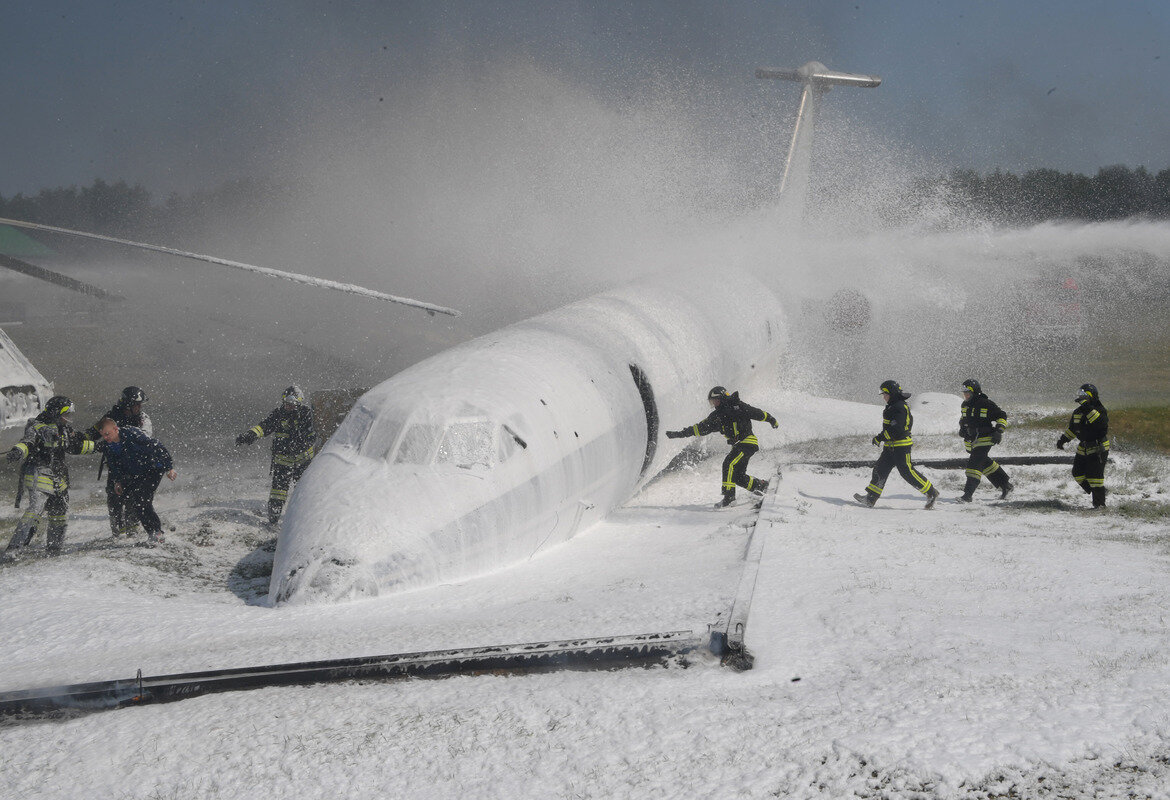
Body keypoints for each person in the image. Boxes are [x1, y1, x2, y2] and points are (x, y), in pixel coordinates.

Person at [4, 396, 98, 560]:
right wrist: (17, 451)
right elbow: (27, 443)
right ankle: (14, 548)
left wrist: (100, 447)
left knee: (59, 512)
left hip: (58, 477)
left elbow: (75, 446)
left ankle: (54, 549)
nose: (69, 419)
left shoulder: (64, 429)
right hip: (39, 474)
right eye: (66, 415)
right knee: (34, 511)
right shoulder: (37, 427)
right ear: (55, 413)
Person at [664, 386, 778, 508]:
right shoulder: (716, 416)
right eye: (712, 402)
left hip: (747, 442)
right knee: (737, 477)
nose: (713, 404)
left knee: (728, 464)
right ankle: (761, 486)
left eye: (715, 401)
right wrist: (679, 434)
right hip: (739, 446)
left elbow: (757, 413)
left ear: (722, 398)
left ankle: (729, 498)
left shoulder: (738, 406)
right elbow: (699, 428)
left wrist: (771, 420)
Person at [236, 385, 317, 525]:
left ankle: (305, 521)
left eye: (292, 404)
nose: (288, 406)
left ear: (298, 403)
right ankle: (273, 519)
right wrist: (250, 435)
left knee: (304, 491)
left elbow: (312, 436)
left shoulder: (306, 414)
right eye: (286, 403)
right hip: (282, 460)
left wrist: (300, 445)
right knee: (278, 492)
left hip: (303, 461)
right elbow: (264, 426)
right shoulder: (278, 414)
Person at [854, 380, 939, 509]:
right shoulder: (892, 406)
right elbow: (889, 427)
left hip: (901, 446)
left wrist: (881, 437)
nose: (884, 397)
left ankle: (932, 493)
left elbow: (897, 429)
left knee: (907, 472)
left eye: (885, 394)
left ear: (892, 394)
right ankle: (870, 499)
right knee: (879, 469)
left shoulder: (899, 407)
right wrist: (881, 437)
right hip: (890, 447)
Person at [96, 417, 177, 547]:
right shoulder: (109, 446)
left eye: (107, 434)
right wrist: (118, 482)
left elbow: (156, 445)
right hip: (136, 472)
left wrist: (169, 467)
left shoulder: (132, 434)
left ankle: (157, 532)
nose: (106, 437)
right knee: (136, 502)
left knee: (143, 500)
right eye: (103, 435)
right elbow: (114, 465)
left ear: (116, 429)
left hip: (153, 469)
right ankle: (152, 533)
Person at [85, 385, 152, 537]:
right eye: (137, 404)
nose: (140, 407)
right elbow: (92, 433)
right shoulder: (110, 417)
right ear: (128, 404)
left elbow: (143, 439)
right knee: (114, 499)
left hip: (136, 467)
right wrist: (77, 439)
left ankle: (132, 530)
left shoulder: (143, 419)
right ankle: (118, 532)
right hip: (115, 467)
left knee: (133, 498)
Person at [957, 378, 1013, 502]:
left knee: (974, 464)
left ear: (974, 392)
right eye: (964, 393)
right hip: (973, 439)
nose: (965, 395)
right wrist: (962, 428)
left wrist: (998, 431)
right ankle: (1005, 485)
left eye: (967, 393)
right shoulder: (965, 405)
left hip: (986, 437)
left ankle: (967, 495)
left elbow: (1002, 416)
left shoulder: (985, 403)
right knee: (984, 462)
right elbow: (963, 419)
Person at [1056, 383, 1110, 508]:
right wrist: (1063, 440)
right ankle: (1098, 492)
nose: (1081, 397)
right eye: (1080, 395)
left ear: (1092, 396)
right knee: (1077, 473)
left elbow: (1100, 425)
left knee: (1095, 477)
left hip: (1098, 447)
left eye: (1084, 395)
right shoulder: (1078, 412)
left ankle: (1100, 505)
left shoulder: (1100, 410)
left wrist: (1087, 408)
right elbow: (1073, 429)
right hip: (1083, 447)